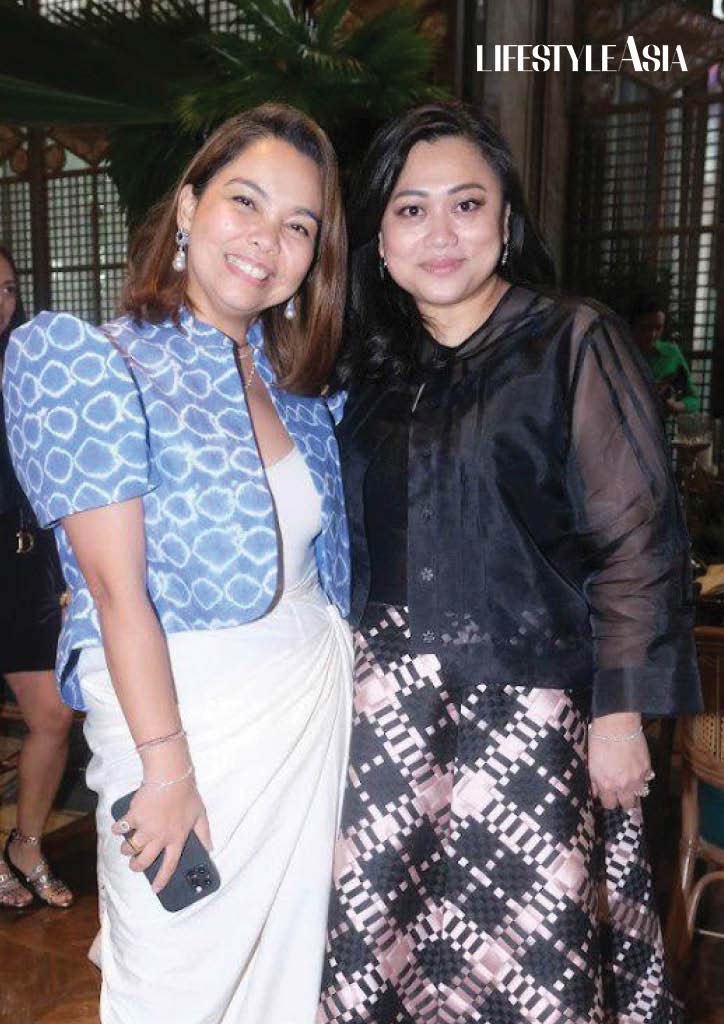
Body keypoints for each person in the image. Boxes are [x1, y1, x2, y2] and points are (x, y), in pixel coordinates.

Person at [318, 103, 701, 1024]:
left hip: (534, 709)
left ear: (506, 220)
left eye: (467, 204)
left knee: (532, 964)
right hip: (385, 714)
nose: (440, 234)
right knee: (387, 954)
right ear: (379, 239)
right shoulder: (367, 367)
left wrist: (620, 715)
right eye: (411, 210)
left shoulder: (572, 340)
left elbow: (637, 538)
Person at [3, 105, 353, 1023]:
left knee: (286, 983)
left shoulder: (302, 389)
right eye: (246, 201)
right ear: (191, 206)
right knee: (171, 986)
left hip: (305, 713)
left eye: (299, 225)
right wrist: (165, 773)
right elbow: (115, 595)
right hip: (182, 723)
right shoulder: (101, 365)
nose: (268, 239)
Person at [0, 245, 73, 910]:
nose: (0, 301)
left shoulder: (27, 365)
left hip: (23, 562)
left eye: (6, 288)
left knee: (52, 713)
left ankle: (25, 844)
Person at [630, 292, 699, 415]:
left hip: (659, 425)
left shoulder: (672, 353)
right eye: (645, 328)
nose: (652, 335)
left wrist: (675, 407)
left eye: (658, 328)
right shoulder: (619, 352)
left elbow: (694, 400)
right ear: (633, 325)